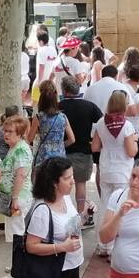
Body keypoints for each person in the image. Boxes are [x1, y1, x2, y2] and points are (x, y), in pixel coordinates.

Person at [23, 157, 85, 278]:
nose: (72, 181)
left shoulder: (66, 198)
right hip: (53, 269)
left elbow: (70, 227)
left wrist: (83, 217)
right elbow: (31, 246)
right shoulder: (42, 209)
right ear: (54, 182)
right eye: (67, 178)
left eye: (72, 176)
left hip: (72, 265)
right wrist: (61, 247)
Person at [91, 90, 138, 254]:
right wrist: (136, 143)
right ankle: (113, 246)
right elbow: (131, 151)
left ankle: (102, 244)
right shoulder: (127, 125)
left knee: (105, 204)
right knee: (119, 208)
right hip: (123, 170)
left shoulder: (101, 122)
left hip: (106, 168)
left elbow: (94, 147)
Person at [59, 76, 102, 228]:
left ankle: (63, 215)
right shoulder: (89, 106)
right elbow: (101, 122)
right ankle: (80, 215)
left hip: (62, 151)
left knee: (61, 187)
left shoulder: (58, 106)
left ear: (64, 90)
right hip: (84, 150)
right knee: (81, 185)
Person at [0, 115, 34, 240]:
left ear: (20, 134)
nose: (6, 134)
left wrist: (15, 199)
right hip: (13, 197)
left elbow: (21, 175)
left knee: (15, 236)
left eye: (10, 131)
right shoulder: (14, 148)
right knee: (13, 235)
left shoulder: (21, 150)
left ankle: (18, 258)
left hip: (19, 198)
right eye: (5, 130)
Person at [30, 80, 74, 170]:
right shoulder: (63, 117)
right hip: (60, 157)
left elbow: (29, 138)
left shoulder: (38, 117)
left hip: (44, 158)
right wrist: (59, 144)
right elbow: (72, 139)